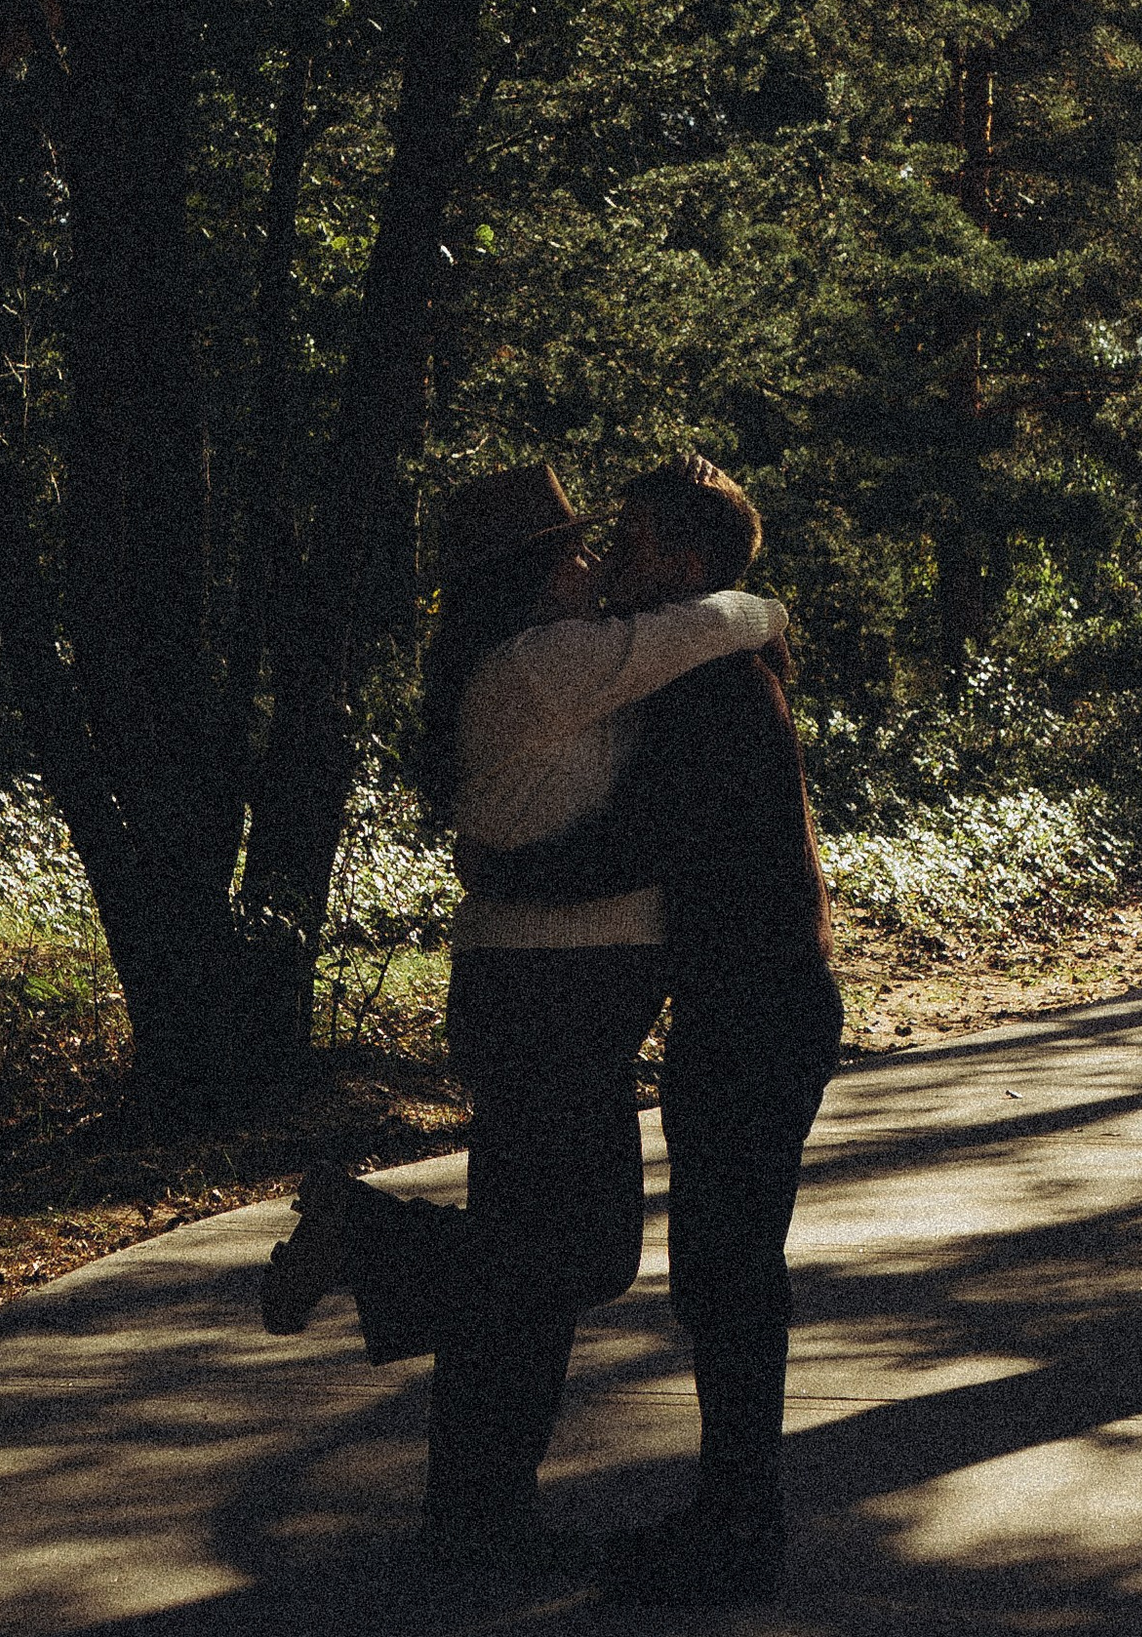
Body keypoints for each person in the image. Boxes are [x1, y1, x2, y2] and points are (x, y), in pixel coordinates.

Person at [256, 461, 788, 1579]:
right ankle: (368, 1246)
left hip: (540, 991)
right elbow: (724, 618)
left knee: (527, 1260)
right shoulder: (546, 664)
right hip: (550, 993)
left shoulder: (524, 667)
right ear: (535, 576)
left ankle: (479, 1515)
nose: (596, 569)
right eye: (578, 553)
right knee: (575, 1257)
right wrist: (764, 611)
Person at [463, 456, 842, 1607]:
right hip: (749, 999)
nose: (613, 563)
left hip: (758, 1004)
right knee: (724, 1271)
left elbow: (640, 844)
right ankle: (732, 1514)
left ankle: (738, 1526)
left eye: (628, 543)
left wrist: (501, 873)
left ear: (679, 562)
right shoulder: (718, 666)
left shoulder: (714, 688)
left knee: (728, 1275)